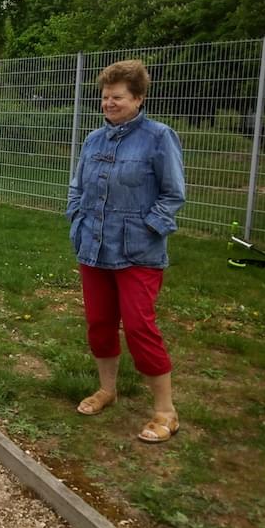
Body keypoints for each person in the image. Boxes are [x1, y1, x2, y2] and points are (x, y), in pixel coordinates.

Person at [66, 59, 185, 443]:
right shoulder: (93, 140)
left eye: (117, 97)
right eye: (104, 97)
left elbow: (173, 194)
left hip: (138, 253)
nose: (108, 104)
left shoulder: (158, 137)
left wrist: (148, 228)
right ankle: (107, 389)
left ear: (137, 98)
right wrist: (76, 220)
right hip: (94, 250)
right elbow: (77, 186)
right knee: (100, 323)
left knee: (139, 327)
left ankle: (165, 411)